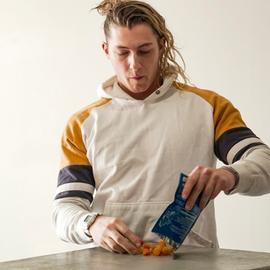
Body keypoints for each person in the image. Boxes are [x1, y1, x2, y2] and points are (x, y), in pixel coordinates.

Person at [53, 0, 270, 255]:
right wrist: (92, 224)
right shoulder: (83, 124)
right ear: (106, 50)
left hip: (191, 260)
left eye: (144, 50)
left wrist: (229, 175)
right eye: (122, 52)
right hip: (112, 262)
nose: (134, 64)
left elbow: (264, 163)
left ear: (162, 45)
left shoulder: (208, 107)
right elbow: (65, 208)